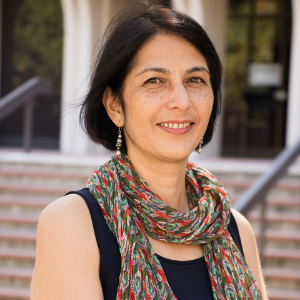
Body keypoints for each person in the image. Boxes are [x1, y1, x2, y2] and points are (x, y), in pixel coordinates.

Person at [31, 2, 268, 299]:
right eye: (154, 80)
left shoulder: (233, 228)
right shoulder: (72, 224)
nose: (181, 101)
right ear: (115, 105)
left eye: (195, 80)